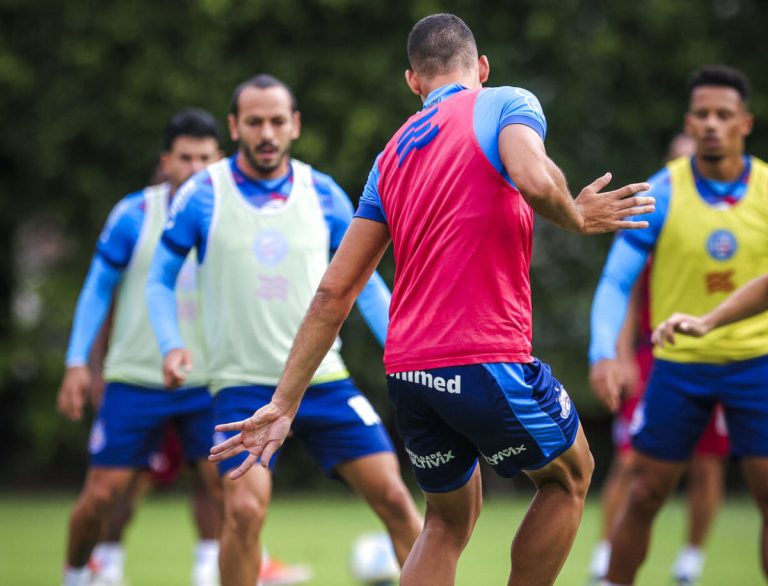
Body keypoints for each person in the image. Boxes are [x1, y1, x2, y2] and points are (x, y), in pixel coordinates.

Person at [208, 13, 654, 586]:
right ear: (482, 68)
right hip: (484, 357)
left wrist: (284, 403)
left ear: (413, 82)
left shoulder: (389, 156)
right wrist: (579, 217)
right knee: (570, 477)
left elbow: (333, 292)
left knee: (445, 523)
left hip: (410, 374)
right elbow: (537, 181)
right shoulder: (505, 101)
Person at [145, 74, 423, 586]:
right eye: (254, 121)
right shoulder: (205, 194)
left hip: (324, 382)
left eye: (277, 120)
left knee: (398, 503)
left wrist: (403, 346)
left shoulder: (324, 194)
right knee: (245, 513)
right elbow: (159, 279)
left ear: (294, 125)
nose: (266, 132)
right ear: (235, 127)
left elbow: (365, 283)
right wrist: (171, 344)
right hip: (242, 387)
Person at [589, 65, 768, 586]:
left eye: (724, 115)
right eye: (702, 115)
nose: (712, 124)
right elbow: (616, 281)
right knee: (643, 493)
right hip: (679, 367)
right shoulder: (662, 192)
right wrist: (604, 351)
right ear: (689, 122)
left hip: (756, 364)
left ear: (745, 123)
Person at [57, 109, 224, 586]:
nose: (194, 168)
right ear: (165, 161)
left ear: (220, 161)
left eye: (204, 159)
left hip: (210, 377)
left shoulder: (236, 215)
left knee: (225, 486)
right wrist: (77, 362)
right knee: (103, 495)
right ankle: (77, 574)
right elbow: (96, 288)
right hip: (136, 378)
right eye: (185, 158)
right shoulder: (134, 214)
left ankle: (209, 574)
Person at [587, 133, 730, 586]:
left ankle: (690, 562)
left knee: (708, 465)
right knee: (631, 461)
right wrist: (620, 354)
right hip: (656, 357)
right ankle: (605, 557)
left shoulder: (731, 221)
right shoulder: (655, 216)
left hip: (721, 358)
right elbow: (623, 290)